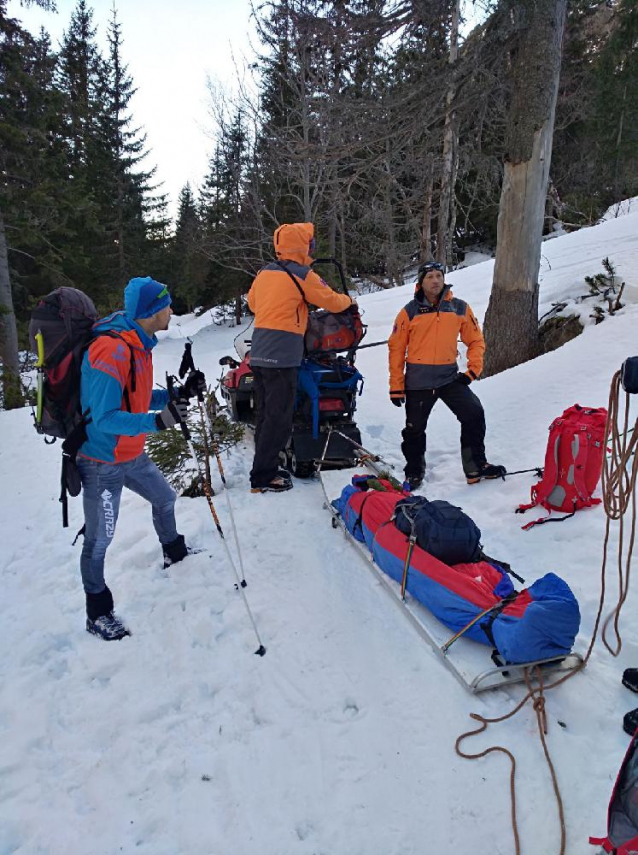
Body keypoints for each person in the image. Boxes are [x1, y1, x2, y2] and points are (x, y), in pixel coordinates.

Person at [76, 276, 206, 641]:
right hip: (102, 460)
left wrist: (176, 395)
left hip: (129, 452)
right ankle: (97, 611)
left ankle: (174, 552)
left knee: (165, 498)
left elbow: (135, 395)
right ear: (151, 312)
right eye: (166, 304)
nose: (171, 308)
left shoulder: (137, 344)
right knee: (100, 539)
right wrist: (157, 422)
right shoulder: (111, 350)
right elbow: (103, 417)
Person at [247, 222, 354, 493]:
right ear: (305, 246)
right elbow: (331, 301)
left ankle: (263, 467)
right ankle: (263, 476)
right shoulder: (303, 274)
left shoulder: (264, 273)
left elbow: (252, 304)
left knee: (265, 415)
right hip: (283, 353)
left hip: (259, 351)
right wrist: (349, 301)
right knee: (280, 417)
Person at [388, 260, 504, 490]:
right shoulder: (409, 312)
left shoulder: (459, 307)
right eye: (429, 276)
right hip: (417, 382)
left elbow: (475, 340)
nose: (435, 280)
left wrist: (472, 371)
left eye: (438, 275)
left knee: (473, 413)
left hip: (449, 379)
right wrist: (396, 385)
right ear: (421, 282)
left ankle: (475, 467)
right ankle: (414, 471)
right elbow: (396, 349)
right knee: (414, 429)